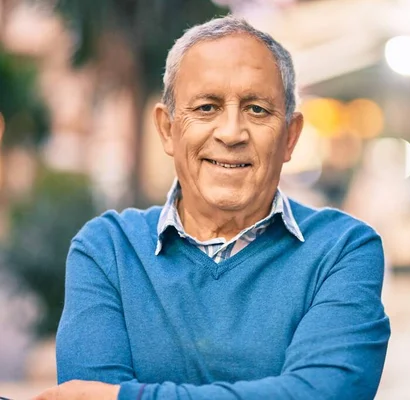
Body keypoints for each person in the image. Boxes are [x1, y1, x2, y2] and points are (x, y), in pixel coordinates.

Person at [35, 16, 390, 400]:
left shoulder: (343, 249)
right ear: (167, 129)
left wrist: (124, 396)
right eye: (206, 107)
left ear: (290, 137)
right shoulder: (108, 250)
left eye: (257, 109)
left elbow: (324, 393)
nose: (231, 133)